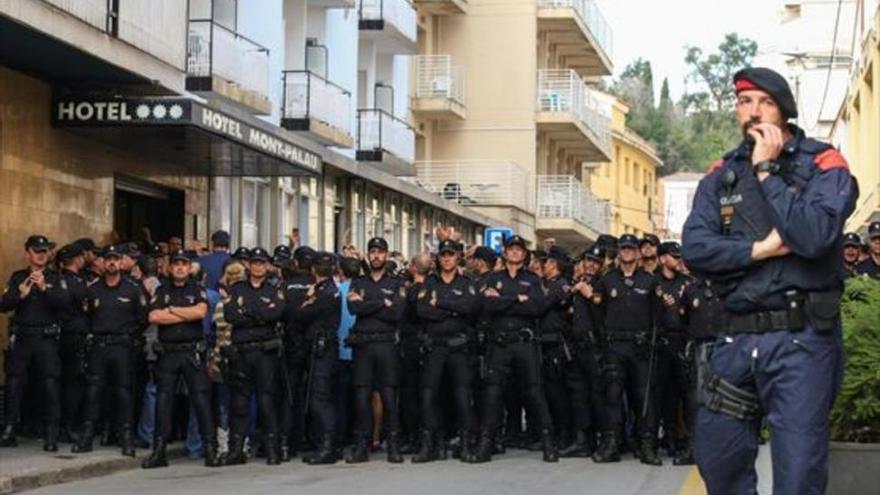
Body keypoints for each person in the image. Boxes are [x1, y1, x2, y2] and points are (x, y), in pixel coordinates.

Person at [682, 67, 858, 495]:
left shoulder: (823, 164)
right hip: (732, 341)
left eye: (765, 102)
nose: (754, 112)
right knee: (719, 466)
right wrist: (758, 250)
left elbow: (814, 236)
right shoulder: (720, 173)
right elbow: (696, 249)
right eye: (745, 102)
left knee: (798, 477)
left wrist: (766, 174)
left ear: (784, 110)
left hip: (800, 343)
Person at [471, 235, 557, 463]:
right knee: (492, 394)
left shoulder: (532, 279)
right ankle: (485, 444)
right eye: (512, 249)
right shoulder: (493, 278)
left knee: (534, 392)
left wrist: (505, 301)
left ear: (524, 254)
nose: (516, 253)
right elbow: (487, 304)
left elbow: (537, 307)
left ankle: (549, 443)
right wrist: (517, 299)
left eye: (520, 250)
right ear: (505, 252)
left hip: (524, 343)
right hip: (499, 344)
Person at [142, 251, 222, 468]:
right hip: (167, 353)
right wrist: (183, 313)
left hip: (191, 352)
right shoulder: (162, 289)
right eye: (175, 264)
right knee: (163, 401)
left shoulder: (197, 289)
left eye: (183, 264)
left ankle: (209, 449)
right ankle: (159, 452)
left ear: (189, 268)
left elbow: (200, 313)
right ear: (170, 267)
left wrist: (172, 310)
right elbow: (154, 316)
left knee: (201, 401)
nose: (179, 267)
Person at [591, 234, 662, 466]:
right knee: (612, 396)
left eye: (632, 248)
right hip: (614, 345)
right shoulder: (607, 280)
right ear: (619, 252)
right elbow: (597, 313)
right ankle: (612, 443)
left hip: (640, 347)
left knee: (643, 397)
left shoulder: (650, 281)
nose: (628, 252)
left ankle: (647, 446)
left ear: (638, 252)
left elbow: (656, 315)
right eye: (624, 249)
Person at [74, 244, 148, 456]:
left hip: (123, 347)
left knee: (123, 392)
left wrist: (130, 336)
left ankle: (126, 437)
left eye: (115, 259)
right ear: (103, 262)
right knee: (93, 391)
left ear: (121, 261)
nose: (112, 262)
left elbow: (143, 317)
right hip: (99, 346)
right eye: (108, 259)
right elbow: (85, 316)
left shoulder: (133, 288)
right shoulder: (93, 289)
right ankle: (87, 436)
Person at [413, 240, 479, 463]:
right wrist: (452, 309)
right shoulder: (429, 282)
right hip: (435, 347)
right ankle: (432, 444)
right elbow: (422, 310)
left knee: (462, 397)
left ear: (458, 257)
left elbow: (469, 308)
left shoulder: (466, 281)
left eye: (451, 255)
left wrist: (439, 303)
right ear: (438, 258)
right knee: (429, 395)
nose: (447, 259)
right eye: (443, 255)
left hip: (458, 347)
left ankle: (466, 443)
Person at [222, 247, 286, 465]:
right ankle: (236, 449)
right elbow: (231, 315)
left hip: (264, 353)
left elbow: (276, 313)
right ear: (248, 265)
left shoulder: (274, 289)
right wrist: (260, 315)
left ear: (267, 266)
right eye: (254, 262)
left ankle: (271, 449)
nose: (258, 266)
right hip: (242, 353)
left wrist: (248, 313)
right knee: (239, 403)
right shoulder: (237, 288)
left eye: (262, 263)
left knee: (267, 401)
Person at [345, 237, 406, 464]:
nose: (376, 256)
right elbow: (353, 308)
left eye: (380, 252)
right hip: (363, 346)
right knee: (361, 396)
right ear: (368, 255)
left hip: (386, 345)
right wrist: (382, 302)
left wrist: (368, 303)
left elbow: (397, 313)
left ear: (387, 255)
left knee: (389, 396)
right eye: (373, 252)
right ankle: (361, 445)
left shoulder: (396, 283)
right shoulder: (358, 282)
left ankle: (393, 445)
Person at [0, 235, 64, 450]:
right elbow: (4, 305)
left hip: (46, 338)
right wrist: (20, 295)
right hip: (23, 337)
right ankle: (10, 428)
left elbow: (66, 305)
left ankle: (51, 433)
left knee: (49, 385)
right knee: (14, 382)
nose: (41, 255)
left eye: (45, 251)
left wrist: (45, 288)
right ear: (28, 253)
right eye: (37, 251)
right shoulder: (18, 277)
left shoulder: (56, 278)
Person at [297, 252, 342, 464]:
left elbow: (303, 315)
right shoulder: (329, 289)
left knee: (319, 399)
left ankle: (328, 447)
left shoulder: (324, 292)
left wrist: (307, 299)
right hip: (320, 348)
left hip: (323, 349)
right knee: (319, 397)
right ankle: (324, 444)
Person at [653, 241, 695, 464]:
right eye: (672, 256)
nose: (678, 260)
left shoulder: (687, 283)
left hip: (682, 341)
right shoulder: (654, 282)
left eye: (679, 256)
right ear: (662, 259)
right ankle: (668, 438)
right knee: (663, 395)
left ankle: (686, 440)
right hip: (660, 343)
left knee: (686, 394)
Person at [564, 244, 607, 457]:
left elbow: (604, 314)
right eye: (588, 261)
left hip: (595, 347)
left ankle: (603, 439)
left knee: (598, 396)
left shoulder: (603, 285)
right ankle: (583, 440)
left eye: (596, 263)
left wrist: (590, 296)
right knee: (578, 395)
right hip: (577, 345)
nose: (591, 266)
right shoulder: (579, 284)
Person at [537, 246, 575, 453]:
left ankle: (564, 433)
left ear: (555, 265)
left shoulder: (561, 285)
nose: (544, 266)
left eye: (548, 262)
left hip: (556, 345)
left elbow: (540, 305)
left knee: (557, 392)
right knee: (547, 391)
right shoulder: (546, 284)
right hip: (543, 342)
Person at [55, 244, 90, 444]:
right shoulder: (79, 283)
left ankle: (58, 425)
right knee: (74, 384)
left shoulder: (55, 280)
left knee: (60, 382)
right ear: (77, 260)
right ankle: (67, 426)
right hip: (75, 336)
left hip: (59, 336)